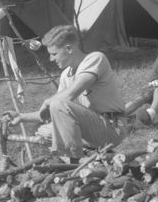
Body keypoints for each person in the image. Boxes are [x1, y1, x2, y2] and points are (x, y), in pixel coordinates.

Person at [8, 24, 125, 160]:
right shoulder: (66, 75)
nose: (51, 59)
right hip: (90, 128)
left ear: (69, 48)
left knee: (58, 104)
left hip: (111, 128)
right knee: (39, 130)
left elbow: (69, 96)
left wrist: (48, 102)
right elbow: (54, 113)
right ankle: (90, 155)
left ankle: (73, 162)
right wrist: (21, 117)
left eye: (54, 54)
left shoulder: (95, 59)